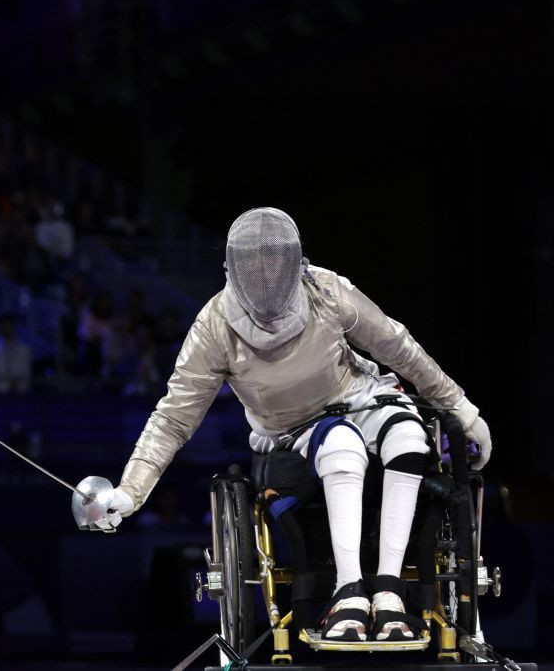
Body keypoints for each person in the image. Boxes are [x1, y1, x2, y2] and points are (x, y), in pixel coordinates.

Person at [86, 208, 492, 642]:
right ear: (232, 271)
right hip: (292, 428)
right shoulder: (213, 328)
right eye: (253, 268)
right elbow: (173, 418)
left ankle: (389, 591)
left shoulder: (328, 292)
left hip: (361, 398)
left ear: (297, 265)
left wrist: (459, 406)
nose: (264, 278)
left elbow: (398, 347)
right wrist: (130, 491)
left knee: (411, 437)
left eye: (273, 265)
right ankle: (349, 592)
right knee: (342, 445)